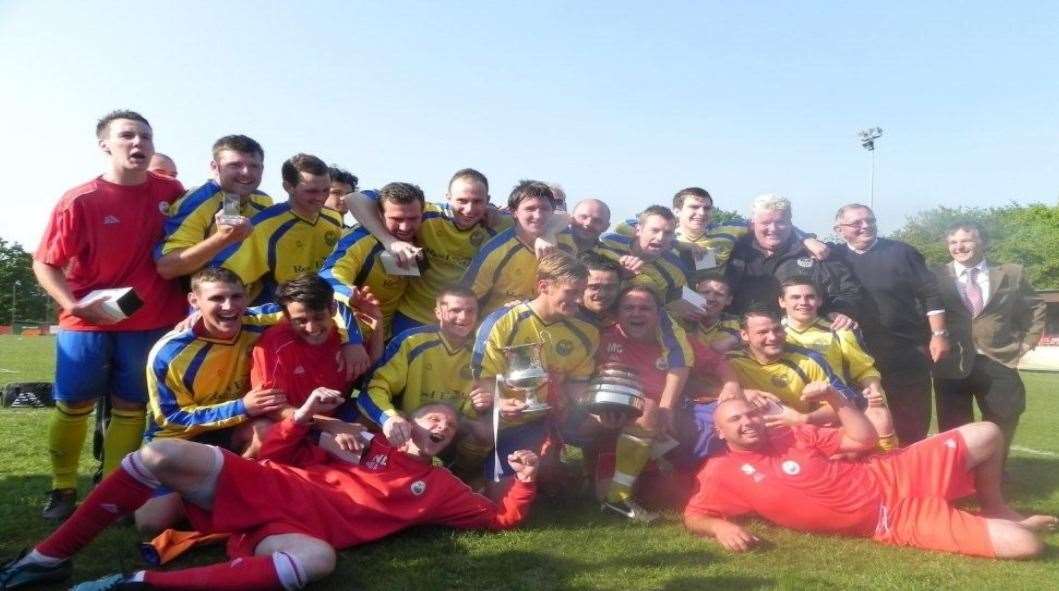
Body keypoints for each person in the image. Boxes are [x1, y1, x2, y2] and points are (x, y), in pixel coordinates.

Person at [0, 395, 541, 590]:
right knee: (162, 453)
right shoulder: (360, 438)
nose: (439, 426)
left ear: (447, 444)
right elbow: (279, 453)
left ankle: (133, 583)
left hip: (292, 529)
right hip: (269, 485)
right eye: (431, 416)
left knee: (317, 562)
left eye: (446, 426)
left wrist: (525, 478)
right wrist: (315, 424)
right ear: (409, 420)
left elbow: (500, 521)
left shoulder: (442, 488)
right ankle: (49, 557)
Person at [32, 110, 188, 520]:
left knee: (131, 406)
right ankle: (62, 487)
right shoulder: (79, 199)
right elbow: (45, 263)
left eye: (146, 137)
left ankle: (112, 491)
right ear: (105, 144)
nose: (139, 143)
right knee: (74, 403)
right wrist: (72, 304)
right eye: (128, 136)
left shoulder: (172, 192)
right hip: (87, 320)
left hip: (151, 319)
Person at [683, 395, 1056, 558]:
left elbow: (863, 439)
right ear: (719, 432)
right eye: (736, 420)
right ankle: (989, 522)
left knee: (988, 432)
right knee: (1026, 545)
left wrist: (833, 396)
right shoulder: (722, 472)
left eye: (751, 415)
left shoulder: (791, 432)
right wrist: (720, 528)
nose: (748, 422)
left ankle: (995, 508)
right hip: (891, 519)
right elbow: (694, 514)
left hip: (893, 471)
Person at [471, 252, 598, 497]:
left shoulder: (586, 332)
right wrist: (500, 402)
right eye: (571, 292)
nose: (579, 300)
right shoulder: (503, 322)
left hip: (546, 420)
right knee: (499, 495)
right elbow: (481, 381)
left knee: (597, 425)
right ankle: (467, 471)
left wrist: (592, 409)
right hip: (501, 419)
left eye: (581, 292)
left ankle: (591, 478)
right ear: (544, 286)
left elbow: (578, 384)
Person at [830, 203, 950, 444]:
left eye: (870, 221)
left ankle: (911, 470)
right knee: (860, 418)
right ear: (839, 229)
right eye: (856, 223)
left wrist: (938, 333)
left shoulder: (902, 252)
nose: (865, 226)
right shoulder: (832, 256)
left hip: (904, 350)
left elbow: (931, 294)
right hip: (853, 355)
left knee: (911, 418)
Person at [346, 168, 512, 335]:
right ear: (447, 197)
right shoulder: (425, 213)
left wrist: (540, 239)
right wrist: (390, 242)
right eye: (462, 201)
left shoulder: (498, 222)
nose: (469, 209)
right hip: (412, 317)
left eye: (477, 201)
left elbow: (533, 220)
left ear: (488, 200)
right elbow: (353, 198)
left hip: (462, 323)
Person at [932, 222, 1046, 463]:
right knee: (953, 425)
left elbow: (1035, 307)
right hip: (952, 361)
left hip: (998, 358)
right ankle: (959, 473)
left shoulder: (1011, 273)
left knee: (1004, 417)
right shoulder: (936, 276)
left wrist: (1027, 342)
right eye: (953, 242)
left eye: (966, 241)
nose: (959, 247)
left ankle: (994, 471)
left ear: (982, 241)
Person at [593, 286, 692, 522]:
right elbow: (575, 379)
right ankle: (617, 493)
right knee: (647, 407)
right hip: (596, 412)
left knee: (671, 494)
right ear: (617, 313)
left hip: (650, 420)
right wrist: (595, 414)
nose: (636, 313)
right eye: (629, 308)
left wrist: (732, 385)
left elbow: (713, 362)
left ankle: (623, 489)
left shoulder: (672, 337)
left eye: (645, 308)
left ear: (658, 314)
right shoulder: (599, 335)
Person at [777, 276, 896, 450]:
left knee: (879, 418)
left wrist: (874, 389)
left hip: (835, 408)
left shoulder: (838, 330)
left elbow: (863, 368)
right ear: (781, 301)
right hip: (790, 409)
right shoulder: (771, 334)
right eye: (795, 297)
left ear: (819, 300)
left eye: (810, 297)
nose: (803, 302)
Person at [210, 153, 344, 305]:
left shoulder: (334, 218)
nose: (321, 197)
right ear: (288, 187)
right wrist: (200, 310)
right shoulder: (263, 226)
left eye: (326, 190)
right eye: (311, 191)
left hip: (327, 308)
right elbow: (222, 273)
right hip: (284, 313)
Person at [357, 287, 484, 445]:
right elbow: (374, 388)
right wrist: (390, 418)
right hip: (405, 435)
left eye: (470, 311)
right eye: (455, 310)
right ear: (438, 313)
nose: (463, 317)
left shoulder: (482, 353)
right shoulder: (411, 341)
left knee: (484, 432)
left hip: (449, 439)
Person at [248, 273, 357, 446]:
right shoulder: (274, 344)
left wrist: (378, 323)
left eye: (319, 317)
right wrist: (327, 425)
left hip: (337, 419)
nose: (311, 328)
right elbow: (271, 409)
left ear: (333, 308)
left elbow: (371, 371)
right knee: (262, 432)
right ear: (287, 317)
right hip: (293, 422)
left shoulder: (347, 338)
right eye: (301, 321)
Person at [725, 194, 862, 329]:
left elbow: (848, 289)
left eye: (780, 222)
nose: (773, 229)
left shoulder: (817, 251)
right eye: (765, 223)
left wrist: (842, 310)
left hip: (804, 339)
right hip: (743, 337)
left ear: (790, 223)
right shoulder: (735, 248)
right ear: (753, 224)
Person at [614, 187, 828, 273]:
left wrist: (806, 238)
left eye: (706, 208)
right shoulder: (662, 233)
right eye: (694, 207)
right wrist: (682, 244)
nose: (701, 213)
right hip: (673, 302)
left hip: (715, 309)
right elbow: (622, 228)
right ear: (677, 211)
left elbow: (769, 222)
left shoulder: (730, 230)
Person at [155, 135, 271, 280]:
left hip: (252, 299)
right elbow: (167, 267)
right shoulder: (198, 201)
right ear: (215, 167)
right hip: (208, 298)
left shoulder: (262, 200)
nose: (246, 172)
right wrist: (223, 238)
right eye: (235, 165)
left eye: (254, 166)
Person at [726, 307, 865, 426]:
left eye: (777, 329)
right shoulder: (729, 360)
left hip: (802, 431)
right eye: (763, 332)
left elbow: (848, 402)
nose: (773, 337)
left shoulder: (808, 360)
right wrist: (742, 392)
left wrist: (804, 419)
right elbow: (707, 393)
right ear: (744, 335)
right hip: (751, 434)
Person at [319, 182, 425, 338]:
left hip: (390, 337)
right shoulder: (360, 241)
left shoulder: (428, 229)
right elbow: (328, 276)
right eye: (396, 219)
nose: (405, 227)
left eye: (413, 218)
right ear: (380, 214)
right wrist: (349, 293)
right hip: (350, 335)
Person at [462, 180, 574, 317]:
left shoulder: (566, 241)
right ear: (514, 212)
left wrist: (548, 233)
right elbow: (463, 299)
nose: (538, 216)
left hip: (551, 325)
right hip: (500, 327)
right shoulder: (496, 252)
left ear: (552, 211)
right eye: (530, 209)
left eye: (544, 209)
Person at [599, 205, 691, 302]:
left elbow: (681, 304)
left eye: (667, 233)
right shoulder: (609, 243)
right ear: (638, 230)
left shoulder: (676, 269)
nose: (660, 238)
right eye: (654, 230)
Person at [684, 274, 741, 353]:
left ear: (729, 300)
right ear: (695, 293)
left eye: (719, 294)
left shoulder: (737, 323)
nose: (710, 298)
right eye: (705, 292)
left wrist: (735, 339)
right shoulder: (677, 318)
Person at [577, 252, 622, 327]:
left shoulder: (626, 320)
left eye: (610, 287)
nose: (602, 294)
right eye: (593, 287)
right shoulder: (562, 319)